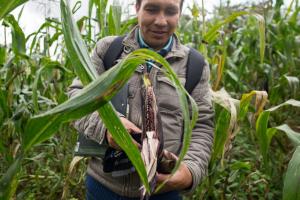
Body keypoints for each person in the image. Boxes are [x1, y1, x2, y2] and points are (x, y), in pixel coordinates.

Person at [68, 0, 214, 199]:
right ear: (137, 8)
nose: (161, 21)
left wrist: (189, 172)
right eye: (152, 9)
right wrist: (108, 127)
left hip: (163, 192)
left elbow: (202, 125)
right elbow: (78, 99)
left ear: (180, 13)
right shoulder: (109, 51)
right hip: (104, 187)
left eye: (170, 11)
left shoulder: (194, 65)